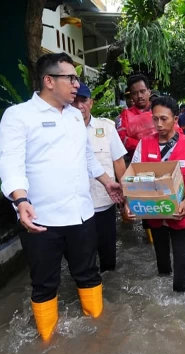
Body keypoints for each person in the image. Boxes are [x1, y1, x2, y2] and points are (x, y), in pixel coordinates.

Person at [0, 52, 123, 342]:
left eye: (77, 78)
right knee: (44, 284)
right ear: (49, 80)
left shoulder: (75, 119)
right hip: (41, 219)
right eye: (71, 78)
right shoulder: (19, 116)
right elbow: (11, 163)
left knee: (89, 274)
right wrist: (21, 200)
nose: (77, 84)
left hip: (81, 214)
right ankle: (48, 347)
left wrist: (107, 182)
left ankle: (99, 337)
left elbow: (88, 156)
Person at [124, 96, 185, 293]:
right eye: (155, 119)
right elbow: (133, 173)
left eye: (164, 119)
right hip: (154, 210)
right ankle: (163, 282)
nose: (158, 124)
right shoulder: (144, 144)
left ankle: (181, 295)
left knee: (181, 254)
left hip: (180, 209)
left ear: (176, 119)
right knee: (160, 252)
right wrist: (129, 202)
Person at [72, 83, 127, 273]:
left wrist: (126, 199)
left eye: (84, 100)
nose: (80, 106)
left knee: (108, 257)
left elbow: (119, 163)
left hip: (103, 204)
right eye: (75, 100)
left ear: (91, 103)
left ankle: (110, 295)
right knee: (82, 257)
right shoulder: (62, 132)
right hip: (75, 207)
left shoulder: (107, 127)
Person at [117, 74, 155, 160]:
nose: (139, 96)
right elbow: (121, 139)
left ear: (149, 92)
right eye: (135, 93)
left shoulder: (160, 110)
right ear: (131, 96)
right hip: (137, 162)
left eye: (142, 91)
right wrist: (145, 146)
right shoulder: (126, 114)